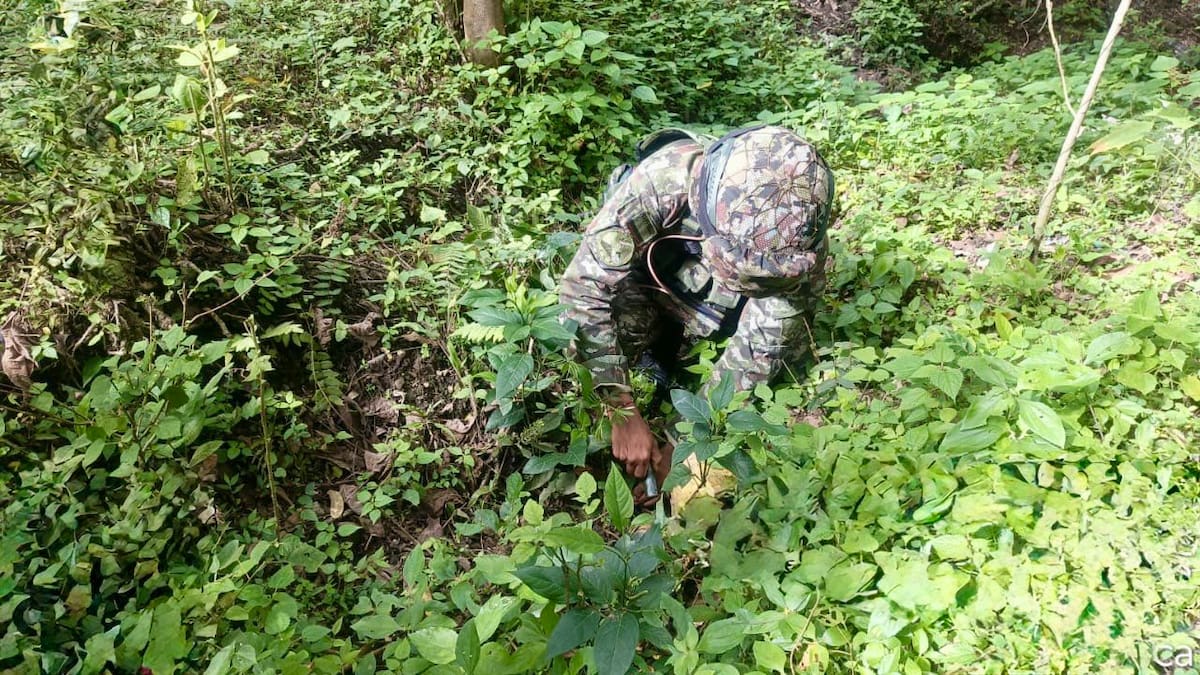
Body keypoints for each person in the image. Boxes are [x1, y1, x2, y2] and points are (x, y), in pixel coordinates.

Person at [559, 124, 835, 504]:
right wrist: (619, 407)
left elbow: (762, 349)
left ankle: (671, 361)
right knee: (594, 336)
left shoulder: (801, 247)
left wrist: (682, 447)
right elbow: (582, 290)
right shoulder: (663, 181)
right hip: (651, 287)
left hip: (717, 319)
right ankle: (654, 359)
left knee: (790, 359)